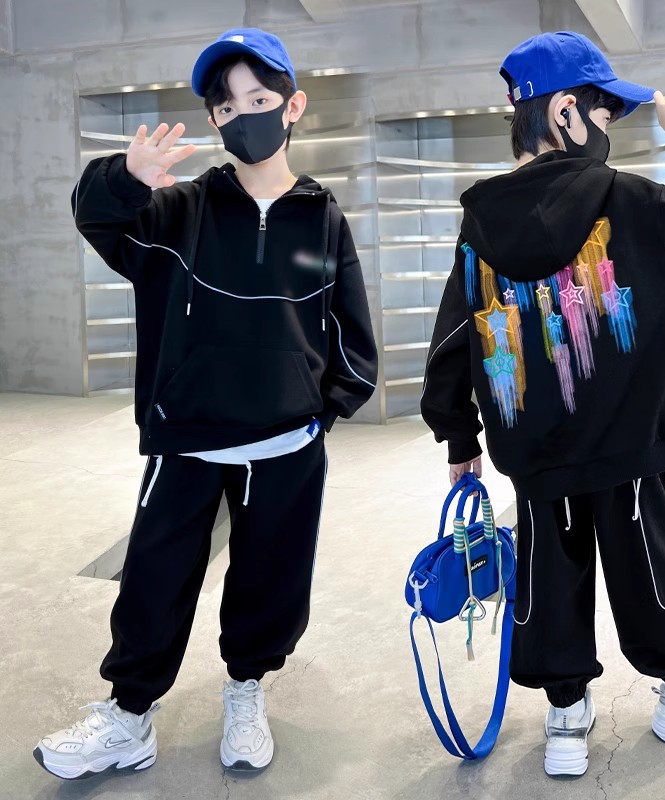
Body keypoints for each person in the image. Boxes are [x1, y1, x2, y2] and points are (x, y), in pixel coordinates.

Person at [34, 28, 377, 780]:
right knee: (154, 579)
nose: (242, 116)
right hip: (187, 437)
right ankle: (128, 716)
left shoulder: (322, 217)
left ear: (292, 106)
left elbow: (349, 328)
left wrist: (323, 411)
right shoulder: (176, 213)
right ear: (215, 121)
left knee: (270, 579)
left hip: (285, 443)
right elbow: (97, 217)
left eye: (258, 99)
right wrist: (126, 179)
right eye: (227, 108)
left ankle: (247, 690)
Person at [420, 30, 665, 778]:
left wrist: (458, 437)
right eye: (605, 114)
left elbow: (453, 337)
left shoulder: (480, 223)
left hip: (534, 452)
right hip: (628, 443)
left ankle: (565, 720)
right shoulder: (625, 201)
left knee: (548, 572)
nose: (609, 131)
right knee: (648, 567)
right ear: (565, 112)